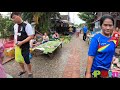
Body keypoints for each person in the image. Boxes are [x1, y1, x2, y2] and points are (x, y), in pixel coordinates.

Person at [11, 12, 34, 78]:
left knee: (27, 60)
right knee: (19, 60)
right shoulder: (15, 26)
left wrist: (21, 42)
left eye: (14, 17)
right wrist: (14, 43)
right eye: (12, 19)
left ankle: (30, 72)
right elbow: (15, 35)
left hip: (25, 46)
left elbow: (31, 36)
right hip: (17, 46)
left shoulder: (27, 25)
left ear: (19, 16)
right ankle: (23, 70)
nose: (13, 19)